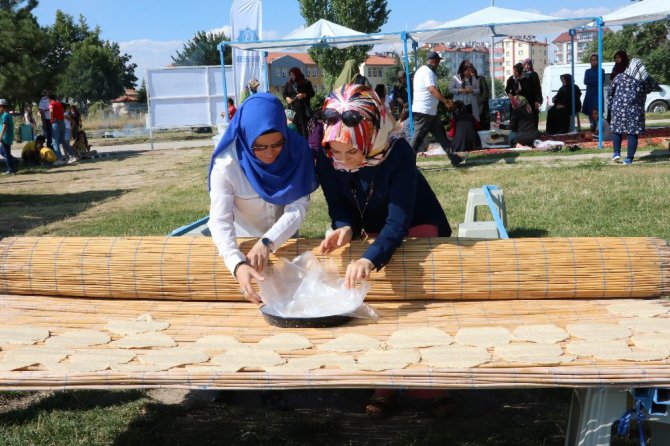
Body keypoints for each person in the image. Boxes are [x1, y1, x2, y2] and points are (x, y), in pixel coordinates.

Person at [313, 83, 453, 418]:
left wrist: (370, 257)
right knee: (378, 306)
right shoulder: (325, 154)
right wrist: (344, 226)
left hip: (416, 225)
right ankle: (385, 381)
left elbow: (399, 221)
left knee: (416, 303)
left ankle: (433, 381)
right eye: (336, 153)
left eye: (351, 152)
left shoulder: (398, 153)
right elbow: (338, 204)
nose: (343, 162)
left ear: (371, 132)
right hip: (369, 228)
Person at [208, 93, 318, 304]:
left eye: (277, 144)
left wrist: (269, 241)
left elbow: (298, 205)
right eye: (259, 147)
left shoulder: (296, 150)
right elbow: (220, 221)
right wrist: (237, 263)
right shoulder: (227, 165)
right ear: (246, 137)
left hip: (285, 242)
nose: (270, 154)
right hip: (244, 245)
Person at [409, 51, 462, 166]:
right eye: (438, 62)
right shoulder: (428, 72)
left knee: (441, 136)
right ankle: (407, 164)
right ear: (433, 61)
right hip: (424, 112)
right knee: (417, 140)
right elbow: (432, 89)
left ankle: (454, 158)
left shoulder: (421, 70)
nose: (438, 65)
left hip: (429, 111)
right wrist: (446, 101)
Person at [608, 58, 657, 165]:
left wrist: (612, 104)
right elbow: (652, 86)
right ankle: (629, 159)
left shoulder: (620, 77)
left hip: (618, 109)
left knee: (617, 130)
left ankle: (616, 153)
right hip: (634, 111)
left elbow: (611, 91)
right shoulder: (644, 82)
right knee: (632, 134)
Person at [283, 67, 315, 138]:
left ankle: (304, 144)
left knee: (303, 128)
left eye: (293, 75)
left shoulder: (306, 83)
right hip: (291, 110)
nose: (292, 77)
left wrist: (304, 95)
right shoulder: (288, 84)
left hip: (302, 110)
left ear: (298, 74)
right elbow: (284, 94)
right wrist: (287, 98)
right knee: (292, 127)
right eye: (290, 75)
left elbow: (312, 93)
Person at [582, 54, 605, 131]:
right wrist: (595, 80)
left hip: (598, 93)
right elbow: (585, 81)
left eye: (595, 59)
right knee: (590, 109)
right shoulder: (587, 71)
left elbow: (601, 81)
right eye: (592, 60)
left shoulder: (601, 70)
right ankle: (592, 124)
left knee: (598, 109)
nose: (594, 61)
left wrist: (591, 81)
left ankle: (599, 125)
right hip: (590, 93)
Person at [519, 58, 542, 126]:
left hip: (533, 99)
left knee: (534, 115)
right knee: (525, 116)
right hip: (524, 99)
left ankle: (534, 131)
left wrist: (538, 100)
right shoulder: (521, 75)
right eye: (525, 65)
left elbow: (538, 88)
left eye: (529, 65)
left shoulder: (534, 74)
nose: (527, 66)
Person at [608, 50, 629, 122]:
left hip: (623, 93)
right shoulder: (615, 67)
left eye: (619, 57)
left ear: (623, 58)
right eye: (616, 57)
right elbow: (611, 78)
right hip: (614, 92)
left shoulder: (627, 68)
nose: (617, 59)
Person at [0, 99, 17, 175]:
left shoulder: (5, 115)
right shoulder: (5, 115)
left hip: (5, 137)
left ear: (2, 107)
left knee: (6, 153)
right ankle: (13, 162)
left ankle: (11, 169)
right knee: (2, 151)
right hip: (6, 137)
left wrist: (0, 137)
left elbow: (4, 126)